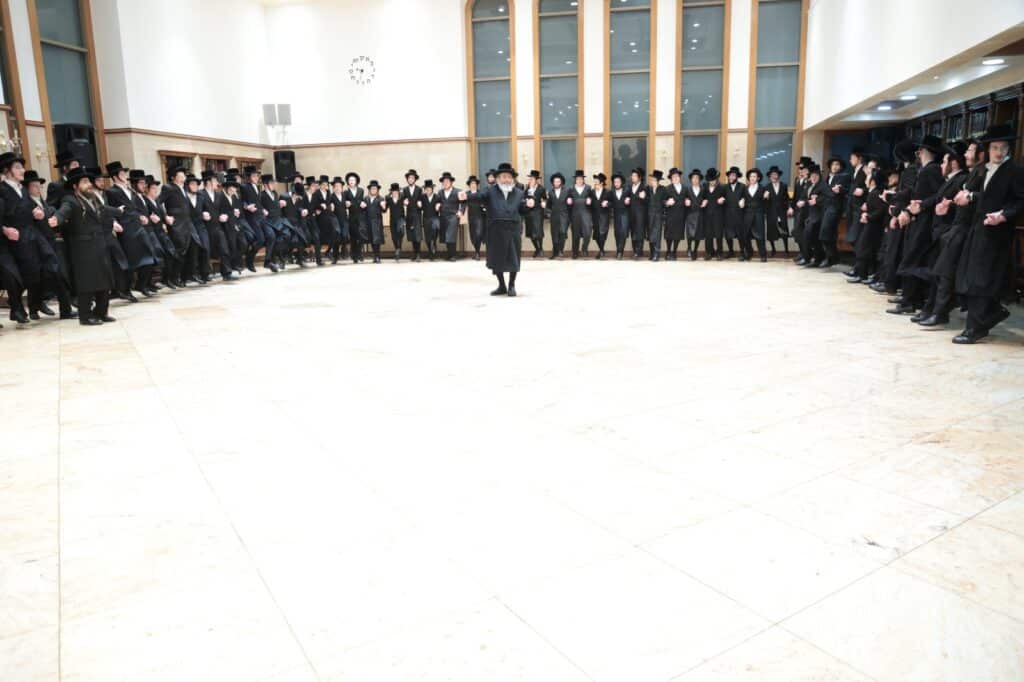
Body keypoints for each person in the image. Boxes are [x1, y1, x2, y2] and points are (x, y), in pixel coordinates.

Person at [953, 124, 1024, 344]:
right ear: (988, 149)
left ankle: (974, 329)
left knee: (981, 280)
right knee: (972, 277)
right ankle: (992, 313)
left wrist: (1003, 215)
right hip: (978, 229)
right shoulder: (984, 169)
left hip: (997, 233)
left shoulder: (1015, 171)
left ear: (1009, 149)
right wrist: (969, 197)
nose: (999, 152)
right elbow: (984, 196)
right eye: (995, 147)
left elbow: (1020, 201)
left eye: (1003, 148)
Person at [919, 139, 985, 328]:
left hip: (961, 230)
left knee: (945, 273)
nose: (966, 154)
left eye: (970, 151)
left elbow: (980, 201)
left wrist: (957, 202)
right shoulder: (972, 174)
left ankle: (939, 312)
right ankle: (934, 310)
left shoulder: (977, 174)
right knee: (940, 272)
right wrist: (950, 204)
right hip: (953, 229)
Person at [910, 142, 969, 324]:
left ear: (954, 163)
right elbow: (937, 198)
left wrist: (949, 206)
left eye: (944, 162)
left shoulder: (961, 179)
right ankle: (930, 309)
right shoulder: (949, 180)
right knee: (935, 274)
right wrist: (921, 204)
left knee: (943, 276)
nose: (941, 165)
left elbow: (961, 206)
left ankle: (939, 312)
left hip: (949, 232)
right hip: (940, 232)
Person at [54, 166, 119, 325]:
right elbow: (64, 211)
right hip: (83, 248)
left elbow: (104, 209)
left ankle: (101, 312)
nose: (89, 184)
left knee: (105, 279)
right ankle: (85, 315)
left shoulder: (92, 198)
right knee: (87, 282)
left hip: (99, 244)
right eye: (84, 182)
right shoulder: (70, 200)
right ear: (75, 186)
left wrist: (120, 211)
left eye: (89, 181)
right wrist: (56, 219)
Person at [888, 136, 944, 314]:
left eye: (920, 150)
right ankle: (911, 298)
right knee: (911, 258)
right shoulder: (925, 169)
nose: (918, 153)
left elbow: (939, 195)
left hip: (924, 221)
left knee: (913, 258)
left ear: (926, 152)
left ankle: (910, 300)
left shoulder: (931, 170)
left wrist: (920, 206)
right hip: (918, 218)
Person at [460, 162, 529, 297]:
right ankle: (501, 285)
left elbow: (522, 210)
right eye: (503, 177)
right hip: (495, 231)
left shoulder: (519, 193)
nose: (506, 179)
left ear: (512, 178)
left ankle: (511, 285)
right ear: (498, 178)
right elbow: (479, 196)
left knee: (514, 259)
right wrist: (467, 196)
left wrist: (529, 205)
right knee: (496, 260)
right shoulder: (490, 191)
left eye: (509, 177)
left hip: (513, 231)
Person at [105, 161, 161, 296]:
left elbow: (135, 208)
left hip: (138, 226)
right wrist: (114, 222)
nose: (125, 175)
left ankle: (142, 284)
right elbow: (110, 210)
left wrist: (142, 216)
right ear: (115, 176)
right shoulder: (111, 191)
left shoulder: (130, 191)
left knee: (150, 256)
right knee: (131, 261)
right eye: (122, 173)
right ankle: (126, 289)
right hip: (126, 229)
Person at [25, 169, 74, 318]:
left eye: (39, 185)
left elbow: (50, 212)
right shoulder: (26, 203)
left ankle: (44, 307)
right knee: (45, 276)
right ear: (27, 188)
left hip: (50, 243)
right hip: (37, 246)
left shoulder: (41, 201)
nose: (38, 188)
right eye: (34, 186)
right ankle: (37, 308)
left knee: (53, 276)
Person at [848, 166, 893, 284]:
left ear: (873, 181)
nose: (866, 179)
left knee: (864, 249)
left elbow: (880, 210)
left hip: (873, 226)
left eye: (868, 177)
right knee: (864, 248)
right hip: (871, 225)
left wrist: (868, 216)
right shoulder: (872, 193)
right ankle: (863, 273)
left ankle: (862, 274)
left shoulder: (875, 193)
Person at [818, 156, 848, 268]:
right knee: (828, 234)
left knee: (825, 233)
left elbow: (848, 190)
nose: (835, 167)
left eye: (837, 165)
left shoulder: (844, 176)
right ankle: (832, 257)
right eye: (833, 164)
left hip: (835, 208)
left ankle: (831, 257)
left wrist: (840, 190)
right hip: (826, 208)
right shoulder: (827, 178)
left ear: (841, 167)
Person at [742, 167, 768, 262]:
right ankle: (749, 253)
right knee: (745, 235)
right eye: (751, 176)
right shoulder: (745, 188)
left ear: (758, 178)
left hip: (758, 214)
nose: (752, 178)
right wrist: (742, 200)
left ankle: (763, 255)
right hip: (747, 214)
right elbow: (743, 198)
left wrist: (766, 197)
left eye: (754, 176)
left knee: (760, 236)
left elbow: (766, 202)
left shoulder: (763, 188)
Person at [844, 147, 868, 249]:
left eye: (852, 158)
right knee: (851, 232)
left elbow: (873, 185)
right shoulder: (854, 171)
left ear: (859, 158)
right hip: (851, 205)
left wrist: (863, 190)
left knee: (856, 234)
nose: (850, 160)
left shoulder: (865, 170)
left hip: (859, 205)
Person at [568, 170, 594, 258]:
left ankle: (584, 248)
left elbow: (592, 199)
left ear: (583, 179)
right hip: (575, 214)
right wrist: (568, 200)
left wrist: (590, 200)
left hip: (586, 213)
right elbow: (568, 200)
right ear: (575, 180)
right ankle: (575, 252)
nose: (579, 180)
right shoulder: (571, 189)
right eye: (577, 179)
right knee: (575, 234)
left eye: (581, 179)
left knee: (587, 233)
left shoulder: (588, 188)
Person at [437, 172, 463, 262]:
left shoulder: (458, 191)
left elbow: (463, 203)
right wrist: (438, 204)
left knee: (451, 235)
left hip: (453, 216)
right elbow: (438, 201)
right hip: (443, 216)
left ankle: (453, 255)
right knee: (445, 236)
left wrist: (461, 211)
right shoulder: (440, 192)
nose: (445, 183)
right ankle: (449, 254)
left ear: (451, 182)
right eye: (444, 182)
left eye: (447, 181)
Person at [791, 158, 812, 264]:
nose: (800, 171)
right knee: (797, 232)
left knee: (805, 234)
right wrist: (791, 207)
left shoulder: (810, 181)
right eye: (799, 169)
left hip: (807, 211)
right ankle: (802, 252)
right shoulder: (797, 179)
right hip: (798, 210)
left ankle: (807, 255)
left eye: (803, 169)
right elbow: (795, 196)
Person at [662, 168, 686, 260]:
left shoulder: (685, 188)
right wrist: (667, 203)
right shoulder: (667, 189)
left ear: (679, 177)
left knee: (678, 234)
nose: (675, 178)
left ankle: (674, 252)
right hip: (670, 215)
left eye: (677, 176)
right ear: (671, 179)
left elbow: (688, 199)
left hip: (681, 215)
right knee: (669, 234)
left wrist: (687, 201)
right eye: (673, 177)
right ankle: (668, 251)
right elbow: (662, 201)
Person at [344, 172, 368, 263]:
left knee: (360, 236)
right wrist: (346, 204)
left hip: (360, 216)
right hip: (351, 216)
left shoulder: (361, 190)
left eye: (353, 180)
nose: (351, 181)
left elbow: (361, 201)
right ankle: (354, 255)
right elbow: (346, 203)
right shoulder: (346, 192)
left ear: (356, 181)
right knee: (353, 237)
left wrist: (362, 203)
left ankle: (359, 254)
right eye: (350, 180)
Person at [765, 165, 789, 256]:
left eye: (775, 174)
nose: (773, 176)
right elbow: (764, 202)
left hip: (782, 212)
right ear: (769, 177)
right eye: (772, 175)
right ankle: (773, 250)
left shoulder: (784, 186)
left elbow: (786, 199)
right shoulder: (766, 187)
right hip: (771, 213)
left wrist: (789, 208)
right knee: (771, 232)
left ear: (778, 175)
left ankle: (786, 250)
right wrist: (765, 198)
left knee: (784, 232)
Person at [545, 172, 569, 259]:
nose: (557, 183)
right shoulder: (550, 192)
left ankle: (560, 251)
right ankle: (555, 252)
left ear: (561, 182)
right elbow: (548, 205)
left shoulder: (567, 191)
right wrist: (548, 213)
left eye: (558, 181)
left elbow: (570, 203)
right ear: (553, 182)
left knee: (563, 233)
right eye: (555, 181)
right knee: (554, 234)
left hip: (564, 216)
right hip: (554, 216)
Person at [703, 168, 725, 260]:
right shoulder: (704, 186)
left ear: (717, 179)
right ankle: (709, 252)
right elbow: (702, 197)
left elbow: (726, 198)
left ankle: (719, 253)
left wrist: (723, 199)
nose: (712, 182)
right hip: (707, 214)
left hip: (718, 214)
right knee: (708, 235)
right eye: (710, 180)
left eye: (713, 180)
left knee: (719, 234)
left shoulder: (722, 187)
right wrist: (704, 201)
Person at [524, 170, 546, 258]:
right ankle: (537, 249)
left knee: (538, 231)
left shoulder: (541, 188)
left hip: (538, 212)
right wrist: (527, 201)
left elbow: (545, 198)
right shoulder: (527, 188)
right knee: (531, 232)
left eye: (532, 179)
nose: (531, 180)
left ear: (536, 180)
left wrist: (544, 202)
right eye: (530, 179)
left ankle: (541, 249)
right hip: (529, 213)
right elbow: (524, 198)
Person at [723, 166, 744, 259]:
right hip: (728, 215)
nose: (731, 177)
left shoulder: (742, 187)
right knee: (728, 235)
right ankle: (731, 251)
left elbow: (746, 197)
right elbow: (721, 196)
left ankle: (742, 252)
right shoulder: (724, 187)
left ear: (737, 177)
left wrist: (744, 199)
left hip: (739, 215)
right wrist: (721, 199)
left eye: (733, 175)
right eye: (730, 175)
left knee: (740, 235)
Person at [610, 173, 631, 260]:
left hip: (625, 214)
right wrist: (607, 203)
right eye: (615, 182)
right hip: (616, 215)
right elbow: (609, 202)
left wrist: (629, 199)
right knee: (617, 233)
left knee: (623, 232)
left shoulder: (627, 191)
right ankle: (618, 250)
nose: (616, 183)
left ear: (621, 182)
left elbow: (633, 198)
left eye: (618, 182)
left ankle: (620, 252)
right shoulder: (611, 192)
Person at [628, 168, 648, 259]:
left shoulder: (644, 187)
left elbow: (649, 201)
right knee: (633, 232)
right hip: (631, 214)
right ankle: (635, 250)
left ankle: (638, 251)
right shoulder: (629, 187)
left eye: (635, 176)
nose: (633, 177)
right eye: (632, 176)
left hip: (641, 214)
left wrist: (644, 197)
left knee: (640, 232)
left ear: (639, 177)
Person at [364, 180, 386, 263]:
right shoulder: (366, 198)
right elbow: (363, 210)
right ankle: (374, 255)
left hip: (377, 221)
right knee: (371, 239)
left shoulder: (381, 198)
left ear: (377, 190)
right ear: (369, 190)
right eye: (372, 189)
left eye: (375, 189)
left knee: (377, 239)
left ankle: (378, 256)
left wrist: (383, 207)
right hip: (368, 221)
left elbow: (384, 210)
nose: (373, 190)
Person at [591, 173, 611, 259]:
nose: (595, 183)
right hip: (594, 216)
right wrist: (588, 201)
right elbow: (589, 203)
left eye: (597, 182)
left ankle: (601, 251)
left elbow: (612, 203)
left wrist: (607, 203)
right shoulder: (592, 192)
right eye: (594, 182)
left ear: (602, 183)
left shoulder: (608, 192)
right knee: (596, 235)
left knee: (602, 234)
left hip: (604, 216)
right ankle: (602, 250)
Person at [330, 176, 350, 262]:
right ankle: (335, 256)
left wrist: (348, 204)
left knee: (345, 236)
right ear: (333, 188)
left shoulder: (344, 195)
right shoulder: (331, 197)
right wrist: (330, 205)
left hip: (344, 219)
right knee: (336, 239)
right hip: (336, 221)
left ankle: (344, 251)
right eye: (336, 186)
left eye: (339, 186)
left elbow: (349, 204)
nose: (338, 188)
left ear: (342, 188)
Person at [647, 169, 665, 261]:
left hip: (658, 215)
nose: (651, 181)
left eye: (653, 180)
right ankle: (652, 252)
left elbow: (665, 200)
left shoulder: (663, 189)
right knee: (650, 233)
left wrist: (667, 202)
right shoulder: (648, 189)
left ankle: (656, 253)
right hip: (649, 215)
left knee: (657, 235)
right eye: (651, 180)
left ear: (657, 181)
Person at [465, 175, 485, 260]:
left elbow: (484, 202)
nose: (473, 185)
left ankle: (477, 253)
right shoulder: (466, 194)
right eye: (471, 183)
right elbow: (462, 204)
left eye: (474, 183)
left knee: (478, 234)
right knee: (473, 234)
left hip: (479, 216)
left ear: (477, 185)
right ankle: (477, 251)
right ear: (469, 185)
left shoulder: (481, 193)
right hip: (471, 216)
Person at [420, 179, 441, 260]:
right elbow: (419, 205)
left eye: (429, 188)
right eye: (426, 189)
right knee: (427, 237)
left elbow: (441, 205)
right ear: (425, 189)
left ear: (432, 189)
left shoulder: (437, 197)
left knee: (434, 235)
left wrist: (439, 205)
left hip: (435, 219)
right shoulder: (422, 197)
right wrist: (419, 204)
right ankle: (430, 251)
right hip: (426, 219)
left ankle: (433, 248)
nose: (428, 190)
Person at [385, 182, 406, 261]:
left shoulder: (402, 196)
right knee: (394, 236)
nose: (395, 193)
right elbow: (385, 209)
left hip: (401, 218)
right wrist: (383, 206)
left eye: (396, 192)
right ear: (391, 192)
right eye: (393, 192)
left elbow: (408, 200)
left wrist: (406, 202)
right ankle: (397, 249)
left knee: (400, 232)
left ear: (398, 191)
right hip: (392, 219)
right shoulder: (388, 198)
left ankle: (399, 247)